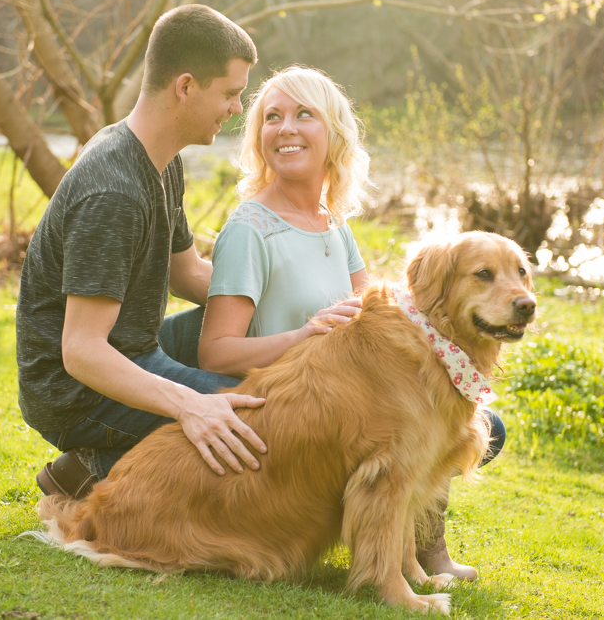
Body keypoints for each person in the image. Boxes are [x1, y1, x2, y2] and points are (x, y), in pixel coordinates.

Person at [198, 66, 507, 581]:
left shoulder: (333, 223)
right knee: (418, 419)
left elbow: (378, 308)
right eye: (271, 118)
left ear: (334, 135)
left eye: (304, 115)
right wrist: (303, 334)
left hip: (347, 400)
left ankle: (419, 546)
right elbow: (216, 352)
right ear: (258, 138)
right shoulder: (249, 229)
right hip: (291, 415)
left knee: (467, 415)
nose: (286, 128)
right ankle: (412, 555)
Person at [16, 4, 267, 500]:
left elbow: (189, 274)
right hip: (75, 392)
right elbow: (82, 352)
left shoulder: (159, 160)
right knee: (257, 420)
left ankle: (114, 464)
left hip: (136, 349)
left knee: (254, 351)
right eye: (231, 93)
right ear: (186, 86)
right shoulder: (113, 192)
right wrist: (189, 404)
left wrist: (291, 311)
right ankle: (94, 468)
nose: (237, 108)